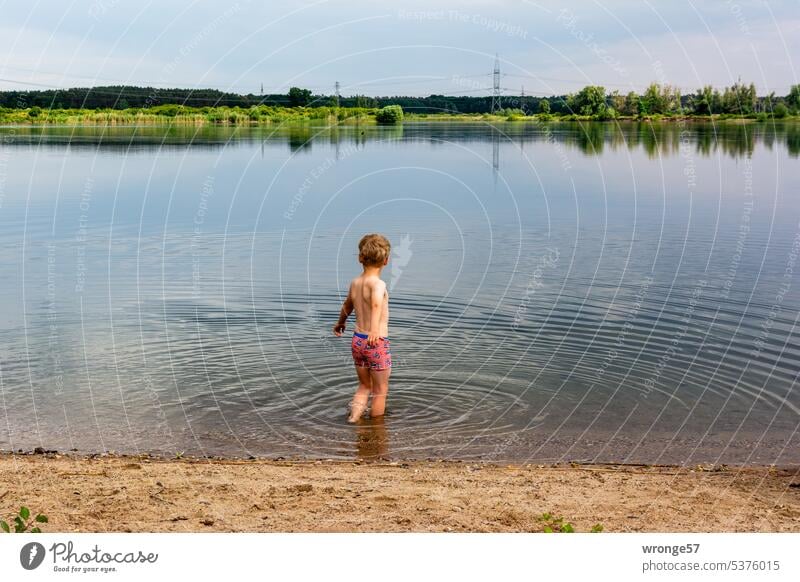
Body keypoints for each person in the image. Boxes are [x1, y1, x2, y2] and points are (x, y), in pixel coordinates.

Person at [333, 234, 392, 423]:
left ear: (360, 258)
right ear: (386, 261)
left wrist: (341, 322)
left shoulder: (355, 283)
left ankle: (354, 418)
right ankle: (376, 427)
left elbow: (347, 305)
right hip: (376, 341)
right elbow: (376, 304)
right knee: (380, 390)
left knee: (364, 385)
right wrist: (374, 330)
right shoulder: (378, 284)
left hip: (358, 340)